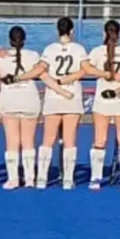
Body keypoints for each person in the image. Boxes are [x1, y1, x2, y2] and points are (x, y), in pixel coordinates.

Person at [81, 20, 120, 191]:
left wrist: (104, 74)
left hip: (102, 100)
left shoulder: (97, 51)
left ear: (104, 34)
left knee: (99, 140)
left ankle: (95, 177)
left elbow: (85, 66)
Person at [0, 26, 51, 189]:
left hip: (9, 100)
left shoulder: (1, 58)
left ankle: (13, 179)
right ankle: (30, 178)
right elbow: (41, 74)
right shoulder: (33, 55)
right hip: (29, 99)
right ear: (24, 40)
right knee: (28, 141)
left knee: (12, 142)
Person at [37, 17, 87, 190]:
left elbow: (42, 70)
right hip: (72, 96)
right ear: (72, 31)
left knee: (48, 139)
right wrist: (68, 79)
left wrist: (57, 83)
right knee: (69, 139)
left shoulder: (50, 49)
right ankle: (67, 178)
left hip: (52, 97)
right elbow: (84, 69)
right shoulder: (78, 49)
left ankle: (41, 178)